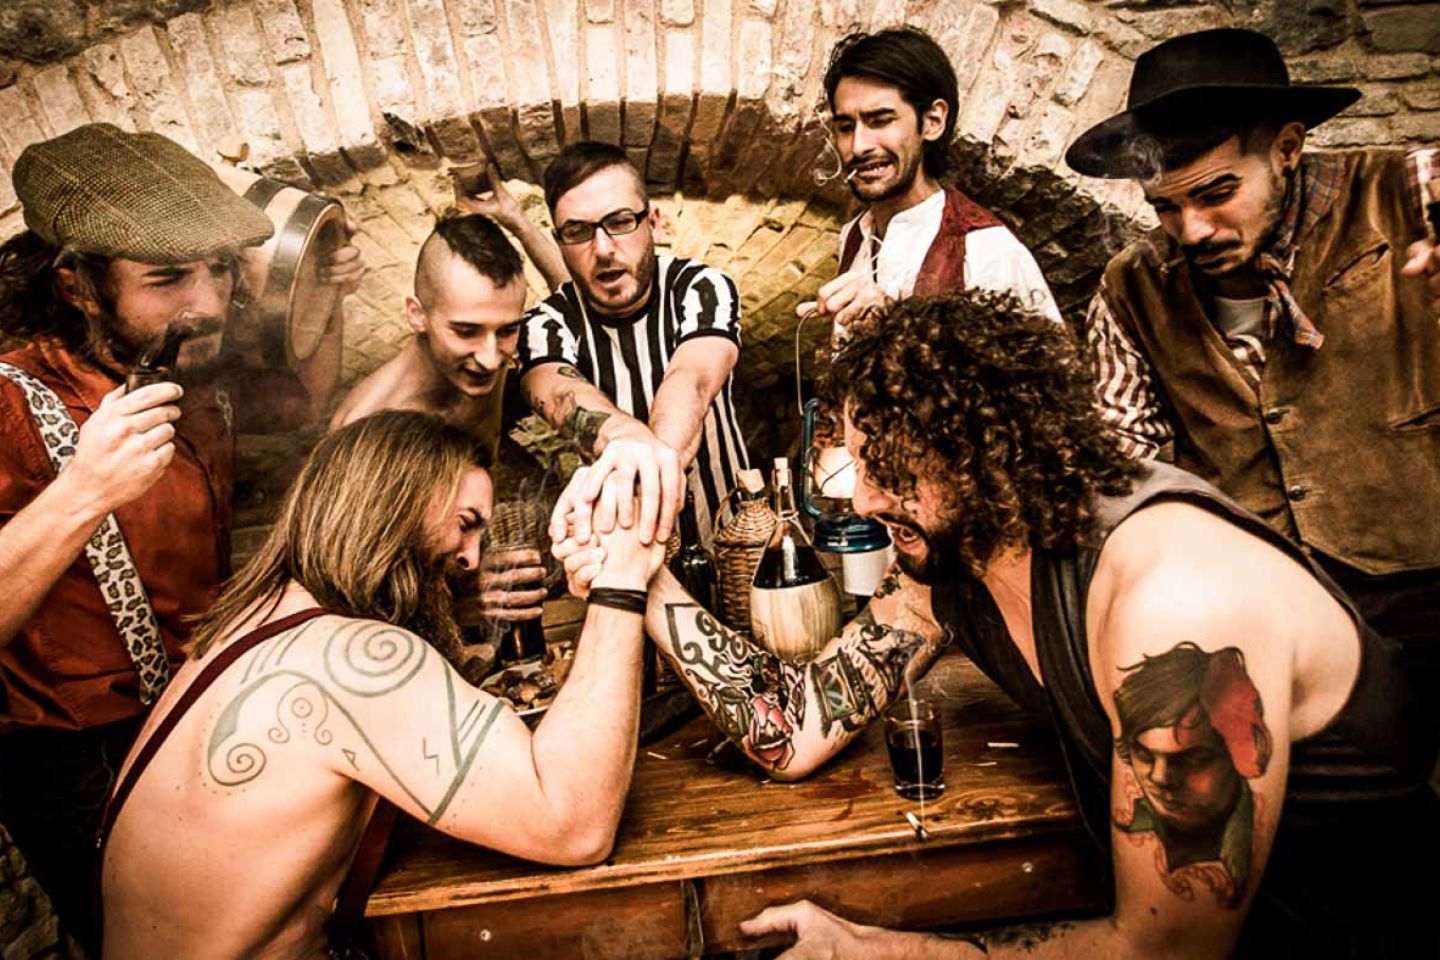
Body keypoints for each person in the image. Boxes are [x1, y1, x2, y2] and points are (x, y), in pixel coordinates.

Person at [555, 290, 1437, 958]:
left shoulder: (1175, 603)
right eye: (859, 466)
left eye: (891, 470)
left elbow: (1164, 952)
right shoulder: (959, 564)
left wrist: (883, 951)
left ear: (987, 453)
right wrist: (639, 576)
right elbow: (796, 723)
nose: (864, 500)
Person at [101, 411, 661, 959]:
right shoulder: (356, 657)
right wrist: (622, 581)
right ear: (395, 506)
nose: (471, 558)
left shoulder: (255, 617)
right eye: (466, 523)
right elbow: (574, 824)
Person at [0, 123, 366, 953]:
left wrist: (326, 296)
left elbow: (305, 403)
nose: (206, 303)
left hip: (202, 716)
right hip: (80, 764)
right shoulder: (11, 402)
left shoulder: (194, 372)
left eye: (219, 271)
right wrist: (84, 491)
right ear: (77, 286)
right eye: (167, 278)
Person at [1067, 29, 1440, 705]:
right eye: (1165, 207)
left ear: (1287, 148)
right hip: (1260, 624)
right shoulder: (1133, 288)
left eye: (1216, 193)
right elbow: (1123, 473)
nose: (1192, 230)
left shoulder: (1406, 195)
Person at [331, 183, 568, 629]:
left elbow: (576, 312)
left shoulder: (491, 354)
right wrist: (459, 607)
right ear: (417, 314)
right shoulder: (367, 426)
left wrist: (517, 221)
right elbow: (349, 598)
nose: (491, 358)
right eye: (465, 331)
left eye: (507, 330)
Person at [518, 141, 750, 548]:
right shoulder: (545, 323)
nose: (603, 248)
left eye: (620, 222)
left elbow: (692, 380)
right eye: (577, 232)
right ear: (559, 243)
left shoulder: (700, 288)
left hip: (735, 542)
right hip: (624, 547)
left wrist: (640, 459)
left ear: (653, 223)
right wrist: (625, 439)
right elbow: (558, 393)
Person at [804, 26, 1060, 335]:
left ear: (933, 121)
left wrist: (893, 323)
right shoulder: (854, 236)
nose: (858, 146)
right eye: (846, 127)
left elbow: (1047, 367)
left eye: (881, 121)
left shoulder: (987, 252)